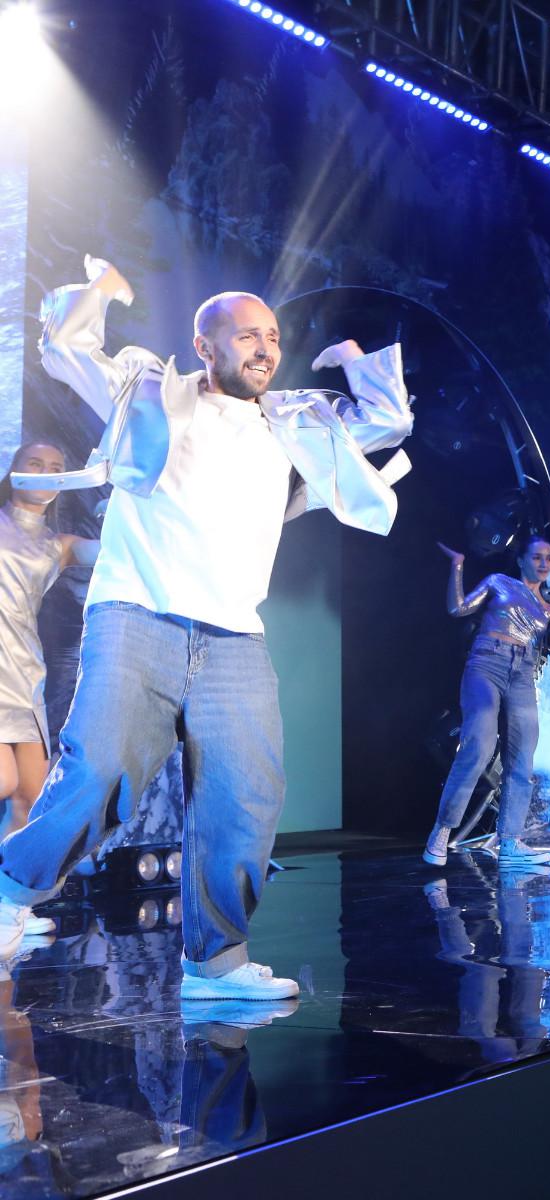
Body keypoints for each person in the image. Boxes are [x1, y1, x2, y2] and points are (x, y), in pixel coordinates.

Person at [0, 255, 413, 997]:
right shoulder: (149, 391)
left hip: (233, 637)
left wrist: (357, 361)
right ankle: (9, 893)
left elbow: (388, 422)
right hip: (138, 612)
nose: (265, 348)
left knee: (246, 793)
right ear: (205, 345)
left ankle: (215, 964)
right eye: (247, 335)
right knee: (99, 772)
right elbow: (65, 348)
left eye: (273, 337)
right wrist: (103, 290)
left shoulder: (293, 422)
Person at [425, 537, 550, 867]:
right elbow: (458, 607)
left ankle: (510, 841)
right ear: (521, 560)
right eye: (537, 557)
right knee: (479, 745)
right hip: (487, 663)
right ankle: (442, 830)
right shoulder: (499, 582)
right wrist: (457, 565)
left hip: (523, 673)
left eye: (549, 558)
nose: (544, 563)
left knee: (522, 758)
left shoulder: (549, 609)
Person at [0, 444, 99, 840]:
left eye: (56, 468)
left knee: (30, 799)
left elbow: (108, 552)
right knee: (5, 780)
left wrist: (121, 515)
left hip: (25, 675)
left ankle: (8, 880)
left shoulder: (59, 545)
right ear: (14, 470)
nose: (45, 473)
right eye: (35, 464)